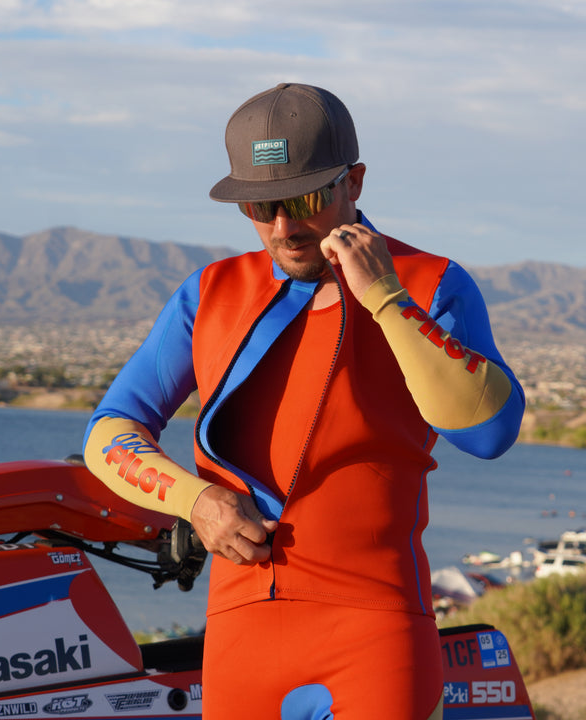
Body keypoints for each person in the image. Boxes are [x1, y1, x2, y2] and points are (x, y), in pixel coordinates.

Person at [82, 82, 525, 720]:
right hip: (242, 637)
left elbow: (489, 432)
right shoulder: (210, 293)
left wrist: (386, 300)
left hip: (376, 632)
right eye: (260, 208)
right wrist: (196, 501)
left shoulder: (432, 282)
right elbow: (110, 432)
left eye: (305, 200)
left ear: (357, 182)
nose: (285, 230)